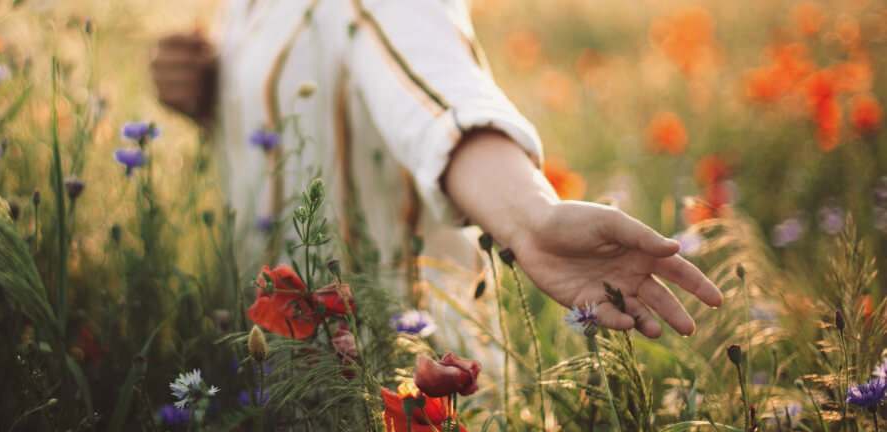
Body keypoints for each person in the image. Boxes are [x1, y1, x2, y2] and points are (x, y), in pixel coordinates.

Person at [150, 0, 723, 339]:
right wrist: (206, 92)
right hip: (276, 370)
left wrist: (528, 218)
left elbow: (441, 101)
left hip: (407, 382)